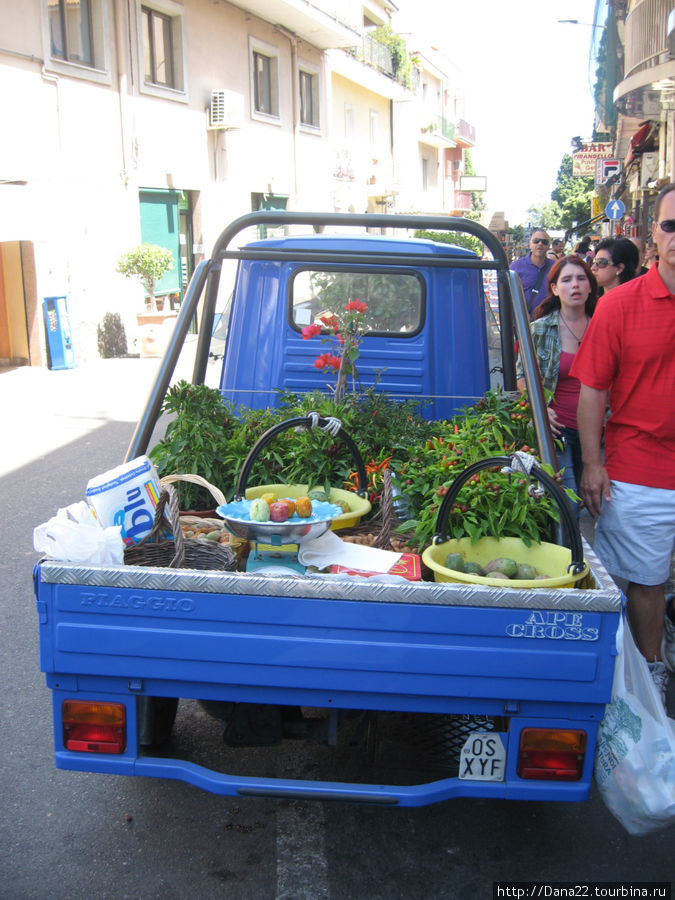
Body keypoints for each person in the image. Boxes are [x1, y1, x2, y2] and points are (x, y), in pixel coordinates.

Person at [570, 182, 675, 706]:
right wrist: (592, 465)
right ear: (653, 234)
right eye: (671, 225)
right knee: (644, 583)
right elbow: (593, 391)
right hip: (640, 472)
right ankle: (648, 678)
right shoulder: (619, 306)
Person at [516, 256, 598, 512]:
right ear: (554, 288)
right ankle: (569, 553)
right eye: (567, 280)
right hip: (559, 430)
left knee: (600, 503)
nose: (575, 285)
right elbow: (523, 377)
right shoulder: (539, 329)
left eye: (581, 278)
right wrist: (541, 409)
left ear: (590, 286)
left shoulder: (604, 324)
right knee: (567, 504)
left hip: (600, 432)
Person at [510, 229, 555, 318]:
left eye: (544, 242)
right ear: (530, 245)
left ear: (548, 246)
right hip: (524, 322)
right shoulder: (516, 266)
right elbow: (509, 294)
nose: (540, 244)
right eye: (536, 241)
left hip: (548, 320)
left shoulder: (555, 267)